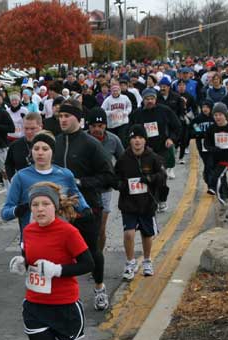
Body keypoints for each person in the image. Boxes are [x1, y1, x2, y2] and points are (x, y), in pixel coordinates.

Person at [8, 182, 92, 340]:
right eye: (35, 205)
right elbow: (30, 256)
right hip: (35, 306)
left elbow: (89, 264)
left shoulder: (68, 232)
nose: (40, 209)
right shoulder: (29, 230)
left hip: (65, 307)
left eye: (45, 204)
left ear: (55, 207)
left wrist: (59, 270)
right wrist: (23, 262)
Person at [54, 101, 115, 311]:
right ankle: (66, 295)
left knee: (90, 251)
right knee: (61, 252)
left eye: (67, 116)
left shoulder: (90, 144)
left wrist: (81, 182)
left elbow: (108, 177)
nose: (62, 120)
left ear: (78, 120)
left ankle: (99, 288)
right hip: (61, 209)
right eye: (60, 116)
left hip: (88, 207)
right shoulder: (57, 142)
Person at [115, 125, 167, 280]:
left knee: (147, 234)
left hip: (147, 202)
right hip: (128, 203)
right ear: (130, 141)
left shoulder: (153, 157)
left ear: (145, 140)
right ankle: (130, 262)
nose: (137, 141)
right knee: (129, 233)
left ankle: (147, 260)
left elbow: (162, 175)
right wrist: (121, 185)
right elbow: (115, 177)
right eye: (134, 138)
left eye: (140, 138)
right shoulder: (123, 158)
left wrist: (150, 179)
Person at [130, 88, 180, 208]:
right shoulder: (137, 114)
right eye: (147, 99)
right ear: (143, 100)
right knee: (147, 176)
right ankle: (152, 200)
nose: (150, 101)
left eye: (152, 98)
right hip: (144, 151)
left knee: (161, 175)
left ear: (156, 99)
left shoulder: (164, 111)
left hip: (162, 148)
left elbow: (177, 126)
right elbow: (129, 131)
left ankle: (162, 199)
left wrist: (171, 139)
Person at [87, 107, 125, 252]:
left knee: (100, 228)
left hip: (104, 190)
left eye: (100, 126)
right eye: (93, 126)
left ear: (106, 125)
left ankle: (98, 258)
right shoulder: (82, 138)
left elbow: (123, 161)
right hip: (84, 189)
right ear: (88, 126)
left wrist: (116, 179)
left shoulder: (114, 140)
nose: (97, 129)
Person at [5, 112, 42, 178]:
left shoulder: (49, 144)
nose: (29, 132)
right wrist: (13, 180)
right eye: (26, 128)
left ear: (41, 127)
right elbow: (8, 164)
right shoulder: (14, 145)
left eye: (33, 128)